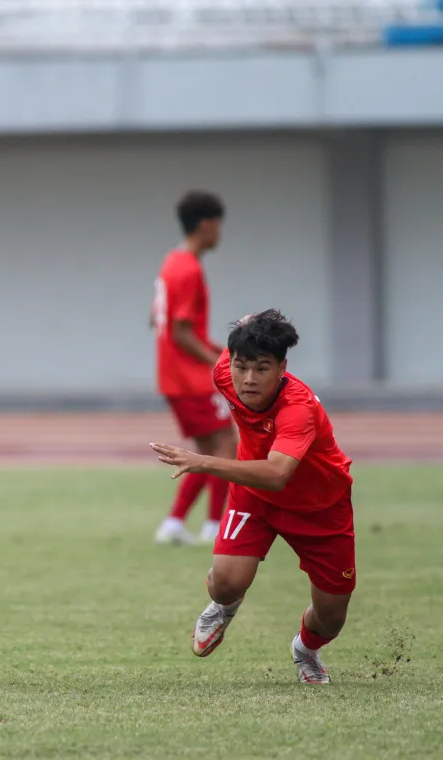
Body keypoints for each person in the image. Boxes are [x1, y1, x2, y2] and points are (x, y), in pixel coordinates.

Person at [149, 310, 355, 684]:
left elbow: (277, 473)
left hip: (320, 507)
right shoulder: (225, 373)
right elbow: (238, 342)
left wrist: (204, 462)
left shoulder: (299, 408)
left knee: (331, 616)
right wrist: (250, 322)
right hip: (254, 495)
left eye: (262, 368)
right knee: (226, 582)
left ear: (282, 368)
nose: (248, 378)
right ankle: (223, 607)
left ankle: (305, 650)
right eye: (242, 366)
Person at [150, 190, 237, 546]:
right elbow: (181, 331)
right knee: (226, 444)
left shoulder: (172, 262)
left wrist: (221, 347)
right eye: (219, 225)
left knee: (204, 452)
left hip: (172, 376)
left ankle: (173, 524)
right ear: (206, 224)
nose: (220, 233)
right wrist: (217, 361)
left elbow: (158, 320)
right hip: (190, 379)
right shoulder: (188, 268)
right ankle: (215, 527)